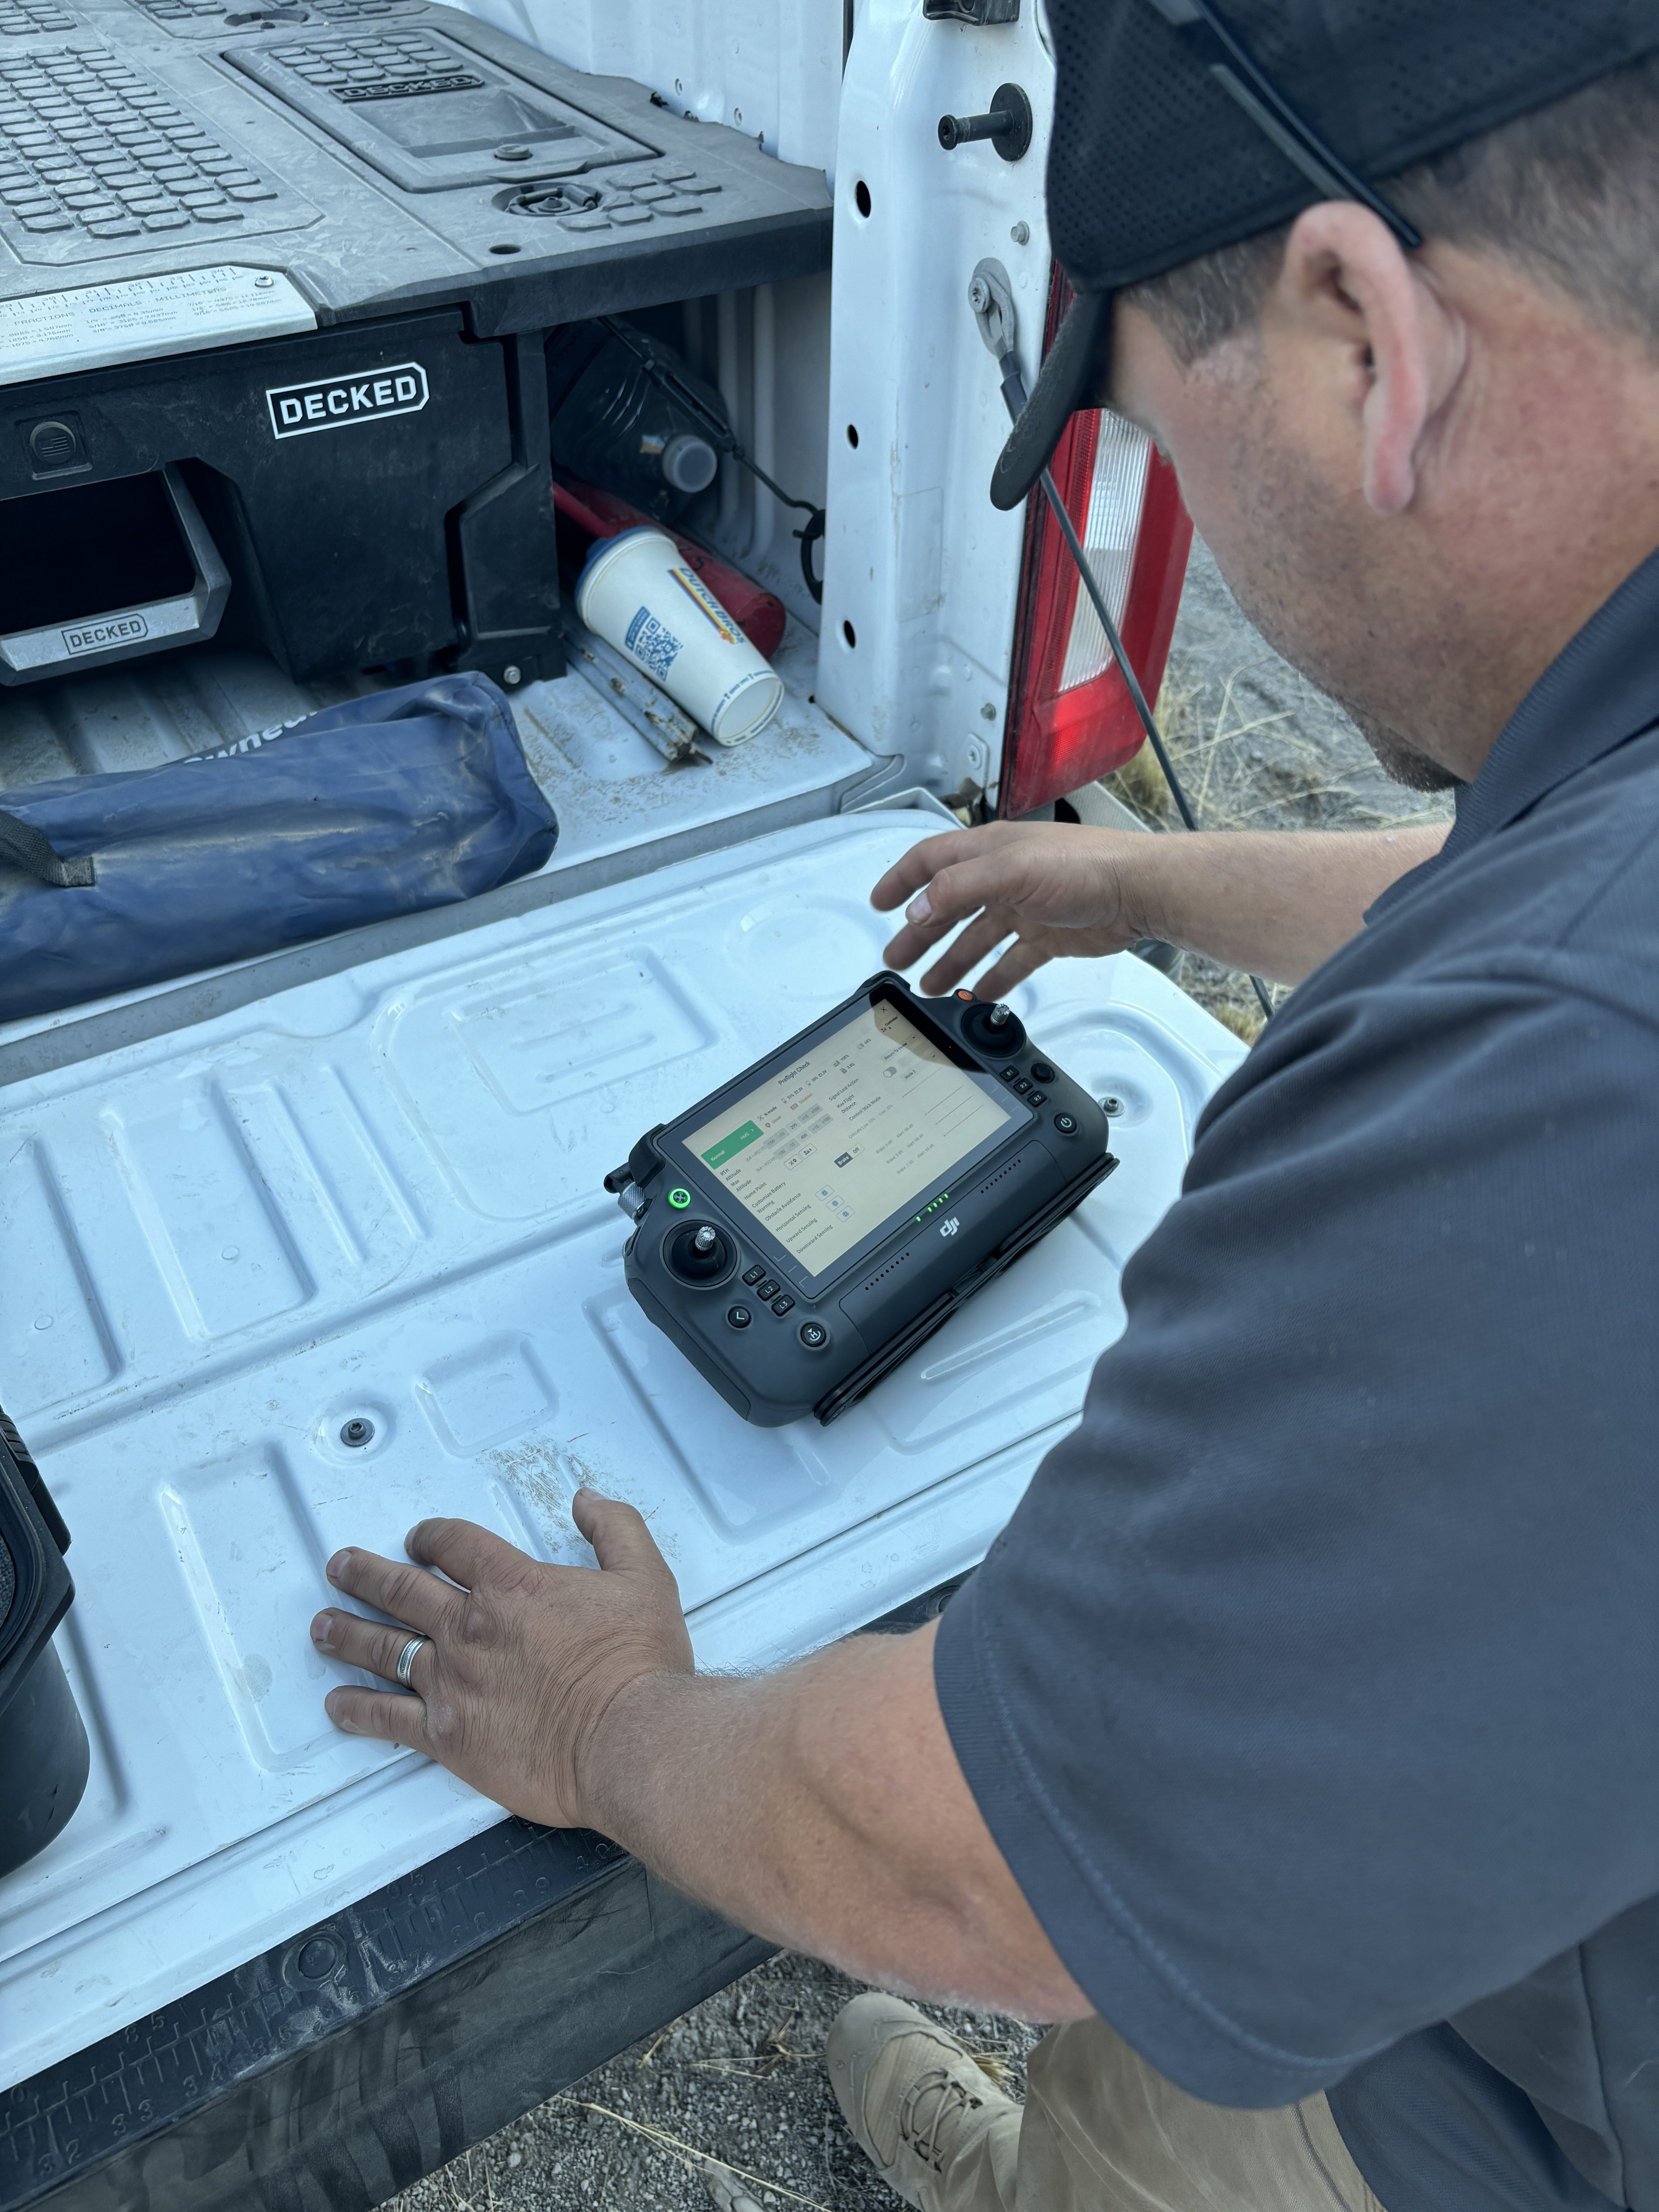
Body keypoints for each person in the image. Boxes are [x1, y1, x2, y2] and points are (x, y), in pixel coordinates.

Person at [304, 2, 1659, 2207]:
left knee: (1168, 2059)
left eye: (1156, 444)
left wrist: (607, 1721)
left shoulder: (1580, 1105)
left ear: (1361, 341)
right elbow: (1543, 852)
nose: (1181, 519)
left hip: (1496, 2112)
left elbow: (990, 1866)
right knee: (1148, 2055)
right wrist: (1145, 882)